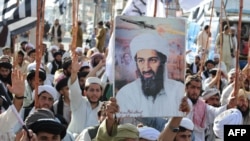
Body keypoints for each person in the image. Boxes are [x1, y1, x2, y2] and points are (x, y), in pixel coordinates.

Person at [116, 33, 185, 117]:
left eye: (152, 60)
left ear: (162, 62)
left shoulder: (178, 91)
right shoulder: (126, 94)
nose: (146, 68)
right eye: (141, 61)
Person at [184, 75, 236, 141]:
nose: (195, 91)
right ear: (186, 88)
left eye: (198, 88)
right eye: (193, 87)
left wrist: (228, 106)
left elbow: (215, 112)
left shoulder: (202, 106)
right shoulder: (178, 103)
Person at [67, 54, 104, 137]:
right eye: (91, 90)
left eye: (97, 90)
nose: (94, 93)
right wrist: (74, 73)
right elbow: (74, 88)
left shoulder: (104, 108)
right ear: (85, 92)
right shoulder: (79, 102)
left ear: (101, 93)